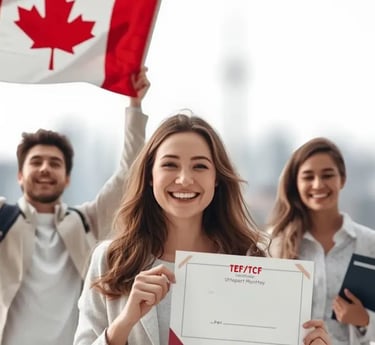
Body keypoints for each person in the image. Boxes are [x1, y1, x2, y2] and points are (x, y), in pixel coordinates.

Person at [73, 113, 331, 345]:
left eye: (200, 166)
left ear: (216, 179)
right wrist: (124, 322)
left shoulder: (252, 261)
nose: (185, 179)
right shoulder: (111, 260)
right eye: (170, 164)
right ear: (150, 176)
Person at [0, 68, 150, 345]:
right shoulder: (3, 219)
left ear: (67, 178)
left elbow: (129, 173)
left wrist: (135, 104)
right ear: (20, 176)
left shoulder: (84, 222)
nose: (45, 169)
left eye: (55, 163)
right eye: (36, 162)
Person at [267, 137, 375, 345]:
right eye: (308, 177)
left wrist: (364, 320)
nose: (318, 184)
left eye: (327, 175)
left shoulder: (369, 243)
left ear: (342, 179)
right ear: (296, 183)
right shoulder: (275, 244)